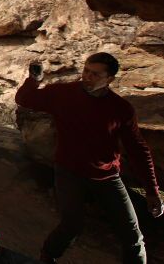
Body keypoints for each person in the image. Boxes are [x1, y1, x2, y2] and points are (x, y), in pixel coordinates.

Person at [15, 52, 163, 264]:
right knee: (71, 225)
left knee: (132, 235)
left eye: (95, 74)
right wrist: (34, 80)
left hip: (107, 176)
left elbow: (138, 149)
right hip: (69, 171)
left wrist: (152, 191)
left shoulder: (120, 109)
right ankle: (48, 256)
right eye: (86, 71)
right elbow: (25, 99)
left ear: (109, 79)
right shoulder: (63, 93)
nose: (87, 77)